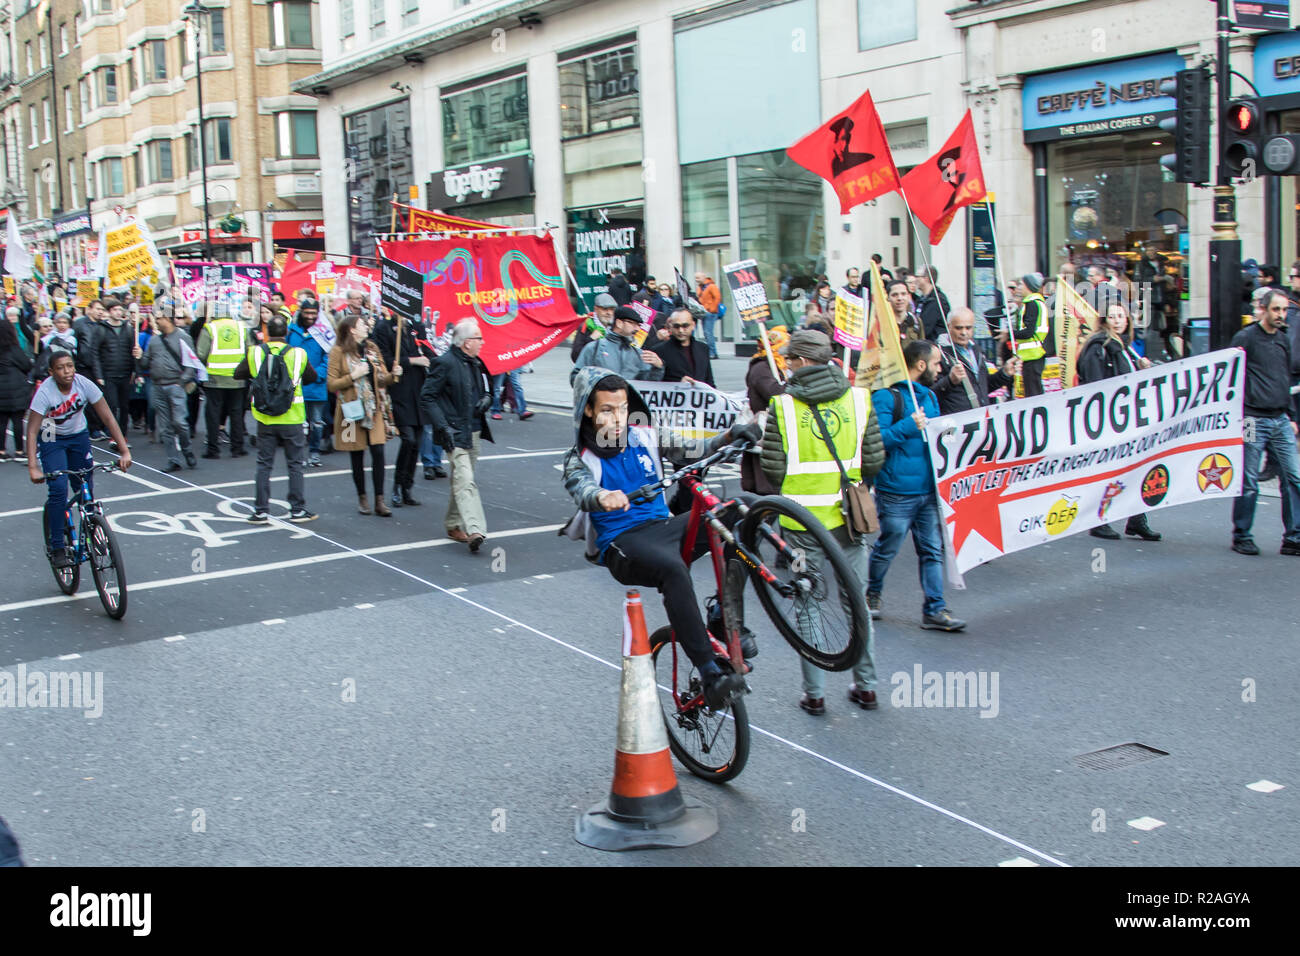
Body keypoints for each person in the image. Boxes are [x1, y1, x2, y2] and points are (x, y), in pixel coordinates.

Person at [561, 366, 761, 708]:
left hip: (664, 528)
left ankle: (721, 616)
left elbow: (694, 449)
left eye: (623, 408)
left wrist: (730, 437)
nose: (618, 418)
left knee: (742, 512)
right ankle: (711, 674)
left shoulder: (646, 435)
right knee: (673, 570)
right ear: (589, 410)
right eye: (608, 410)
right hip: (623, 544)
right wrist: (601, 497)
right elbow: (581, 488)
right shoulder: (579, 458)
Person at [759, 329, 885, 714]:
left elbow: (771, 468)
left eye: (790, 360)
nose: (786, 365)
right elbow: (874, 459)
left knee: (808, 603)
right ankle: (866, 686)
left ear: (800, 361)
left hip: (800, 526)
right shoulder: (861, 399)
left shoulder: (782, 407)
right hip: (848, 521)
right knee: (856, 603)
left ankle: (813, 694)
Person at [867, 339, 966, 631]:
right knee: (888, 546)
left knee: (932, 550)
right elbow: (878, 439)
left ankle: (934, 609)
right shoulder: (886, 397)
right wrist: (909, 425)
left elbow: (938, 437)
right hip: (896, 491)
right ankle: (872, 593)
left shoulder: (929, 398)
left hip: (927, 489)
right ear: (920, 365)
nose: (940, 369)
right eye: (936, 363)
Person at [26, 352, 132, 567]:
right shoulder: (45, 392)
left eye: (70, 366)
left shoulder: (84, 384)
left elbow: (108, 417)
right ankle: (57, 546)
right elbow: (32, 430)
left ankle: (93, 531)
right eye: (61, 368)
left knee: (85, 486)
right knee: (58, 489)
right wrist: (33, 467)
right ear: (51, 372)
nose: (67, 371)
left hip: (78, 436)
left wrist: (124, 451)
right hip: (51, 437)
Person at [1076, 302, 1161, 541]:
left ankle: (1136, 519)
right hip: (1108, 420)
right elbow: (1096, 385)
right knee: (1109, 471)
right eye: (1112, 316)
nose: (1117, 320)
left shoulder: (1123, 347)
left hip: (1126, 419)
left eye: (1121, 316)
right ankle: (1099, 520)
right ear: (1104, 320)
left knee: (1135, 467)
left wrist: (1142, 370)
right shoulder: (1098, 347)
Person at [1231, 291, 1300, 556]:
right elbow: (1231, 375)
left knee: (1293, 478)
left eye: (1284, 310)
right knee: (1248, 478)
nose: (1281, 315)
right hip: (1252, 418)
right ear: (1263, 309)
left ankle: (1293, 536)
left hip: (1280, 417)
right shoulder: (1246, 338)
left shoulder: (1283, 339)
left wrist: (1291, 416)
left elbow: (1284, 379)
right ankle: (1242, 534)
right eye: (1276, 310)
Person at [232, 315, 319, 524]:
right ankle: (297, 509)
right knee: (295, 465)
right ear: (286, 333)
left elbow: (238, 373)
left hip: (265, 418)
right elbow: (312, 377)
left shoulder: (255, 352)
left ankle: (260, 510)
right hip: (293, 418)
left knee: (264, 465)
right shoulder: (298, 354)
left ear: (268, 332)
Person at [421, 318, 494, 552]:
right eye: (479, 338)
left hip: (473, 429)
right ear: (466, 342)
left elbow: (485, 387)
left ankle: (453, 524)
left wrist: (487, 399)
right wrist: (442, 426)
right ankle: (475, 529)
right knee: (465, 480)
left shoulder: (475, 362)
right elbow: (427, 397)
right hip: (453, 432)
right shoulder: (444, 363)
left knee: (462, 480)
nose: (482, 342)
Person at [328, 313, 393, 516]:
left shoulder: (372, 348)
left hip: (374, 409)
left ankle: (380, 500)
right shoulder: (338, 352)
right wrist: (353, 376)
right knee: (356, 454)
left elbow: (383, 379)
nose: (367, 326)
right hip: (352, 410)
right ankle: (362, 497)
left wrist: (394, 375)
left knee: (379, 452)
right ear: (351, 330)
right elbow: (331, 385)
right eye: (362, 324)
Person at [372, 309, 431, 508]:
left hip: (419, 390)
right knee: (408, 438)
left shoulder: (416, 327)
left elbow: (427, 350)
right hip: (400, 390)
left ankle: (407, 487)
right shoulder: (384, 328)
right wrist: (412, 361)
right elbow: (386, 360)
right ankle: (397, 485)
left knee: (417, 442)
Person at [136, 307, 199, 473]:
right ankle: (173, 459)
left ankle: (186, 450)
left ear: (168, 319)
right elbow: (145, 363)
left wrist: (181, 382)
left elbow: (191, 364)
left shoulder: (184, 338)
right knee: (165, 427)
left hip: (175, 385)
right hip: (158, 386)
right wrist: (139, 355)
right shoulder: (154, 341)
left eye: (159, 318)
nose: (156, 321)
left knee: (180, 422)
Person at [933, 307, 1019, 414]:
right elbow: (930, 394)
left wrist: (1004, 373)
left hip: (980, 417)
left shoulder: (976, 349)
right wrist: (950, 381)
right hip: (956, 419)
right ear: (948, 326)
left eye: (968, 328)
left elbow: (984, 386)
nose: (964, 333)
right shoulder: (938, 354)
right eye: (959, 328)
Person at [197, 307, 250, 458]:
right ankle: (237, 448)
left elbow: (201, 354)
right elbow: (250, 350)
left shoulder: (210, 328)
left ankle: (213, 450)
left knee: (213, 413)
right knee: (236, 413)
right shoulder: (241, 327)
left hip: (215, 378)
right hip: (237, 378)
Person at [285, 299, 332, 468]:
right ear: (301, 312)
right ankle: (300, 455)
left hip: (317, 385)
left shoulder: (323, 332)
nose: (310, 316)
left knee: (317, 423)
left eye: (314, 313)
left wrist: (316, 375)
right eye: (307, 313)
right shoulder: (291, 331)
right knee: (299, 424)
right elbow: (286, 354)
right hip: (296, 385)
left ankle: (314, 452)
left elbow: (328, 357)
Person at [742, 325, 788, 496]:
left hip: (771, 427)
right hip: (765, 428)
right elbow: (774, 393)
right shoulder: (762, 367)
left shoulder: (776, 365)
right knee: (767, 484)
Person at [571, 305, 665, 384]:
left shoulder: (638, 353)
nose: (637, 329)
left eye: (639, 325)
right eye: (632, 323)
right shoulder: (594, 348)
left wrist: (658, 368)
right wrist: (598, 389)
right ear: (619, 323)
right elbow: (576, 377)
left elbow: (647, 385)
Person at [94, 299, 136, 451]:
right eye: (115, 310)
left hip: (125, 373)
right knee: (112, 406)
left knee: (124, 407)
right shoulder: (101, 329)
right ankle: (114, 436)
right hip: (109, 373)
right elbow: (95, 353)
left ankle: (122, 436)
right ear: (109, 311)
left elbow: (133, 351)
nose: (119, 312)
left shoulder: (128, 329)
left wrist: (134, 371)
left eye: (120, 310)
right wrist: (99, 374)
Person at [1012, 272, 1053, 396]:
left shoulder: (1032, 303)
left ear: (1028, 286)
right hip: (1033, 354)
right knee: (1034, 390)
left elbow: (1028, 332)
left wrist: (1010, 334)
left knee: (1033, 392)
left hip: (1032, 355)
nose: (1018, 287)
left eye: (1021, 284)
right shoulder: (1037, 302)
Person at [651, 308, 714, 386]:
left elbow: (709, 381)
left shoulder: (703, 348)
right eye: (676, 326)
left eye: (685, 326)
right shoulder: (659, 350)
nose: (681, 330)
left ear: (693, 325)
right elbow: (654, 384)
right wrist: (679, 385)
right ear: (670, 327)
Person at [0, 320, 33, 461]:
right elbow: (26, 365)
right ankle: (19, 450)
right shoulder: (14, 349)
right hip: (17, 389)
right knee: (18, 421)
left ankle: (1, 450)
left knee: (1, 422)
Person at [571, 292, 617, 361]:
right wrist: (591, 339)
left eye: (612, 309)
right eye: (605, 309)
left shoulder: (617, 327)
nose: (609, 313)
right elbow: (575, 357)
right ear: (596, 309)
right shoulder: (585, 327)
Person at [915, 267, 950, 341]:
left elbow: (926, 328)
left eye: (917, 276)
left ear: (926, 278)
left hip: (933, 344)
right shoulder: (921, 299)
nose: (915, 280)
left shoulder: (937, 300)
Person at [694, 272, 722, 359]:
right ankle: (712, 352)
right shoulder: (700, 287)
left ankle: (712, 352)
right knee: (707, 333)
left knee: (708, 333)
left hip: (710, 312)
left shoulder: (711, 286)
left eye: (698, 278)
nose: (696, 280)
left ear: (704, 277)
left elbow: (717, 298)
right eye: (696, 278)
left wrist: (711, 309)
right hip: (704, 312)